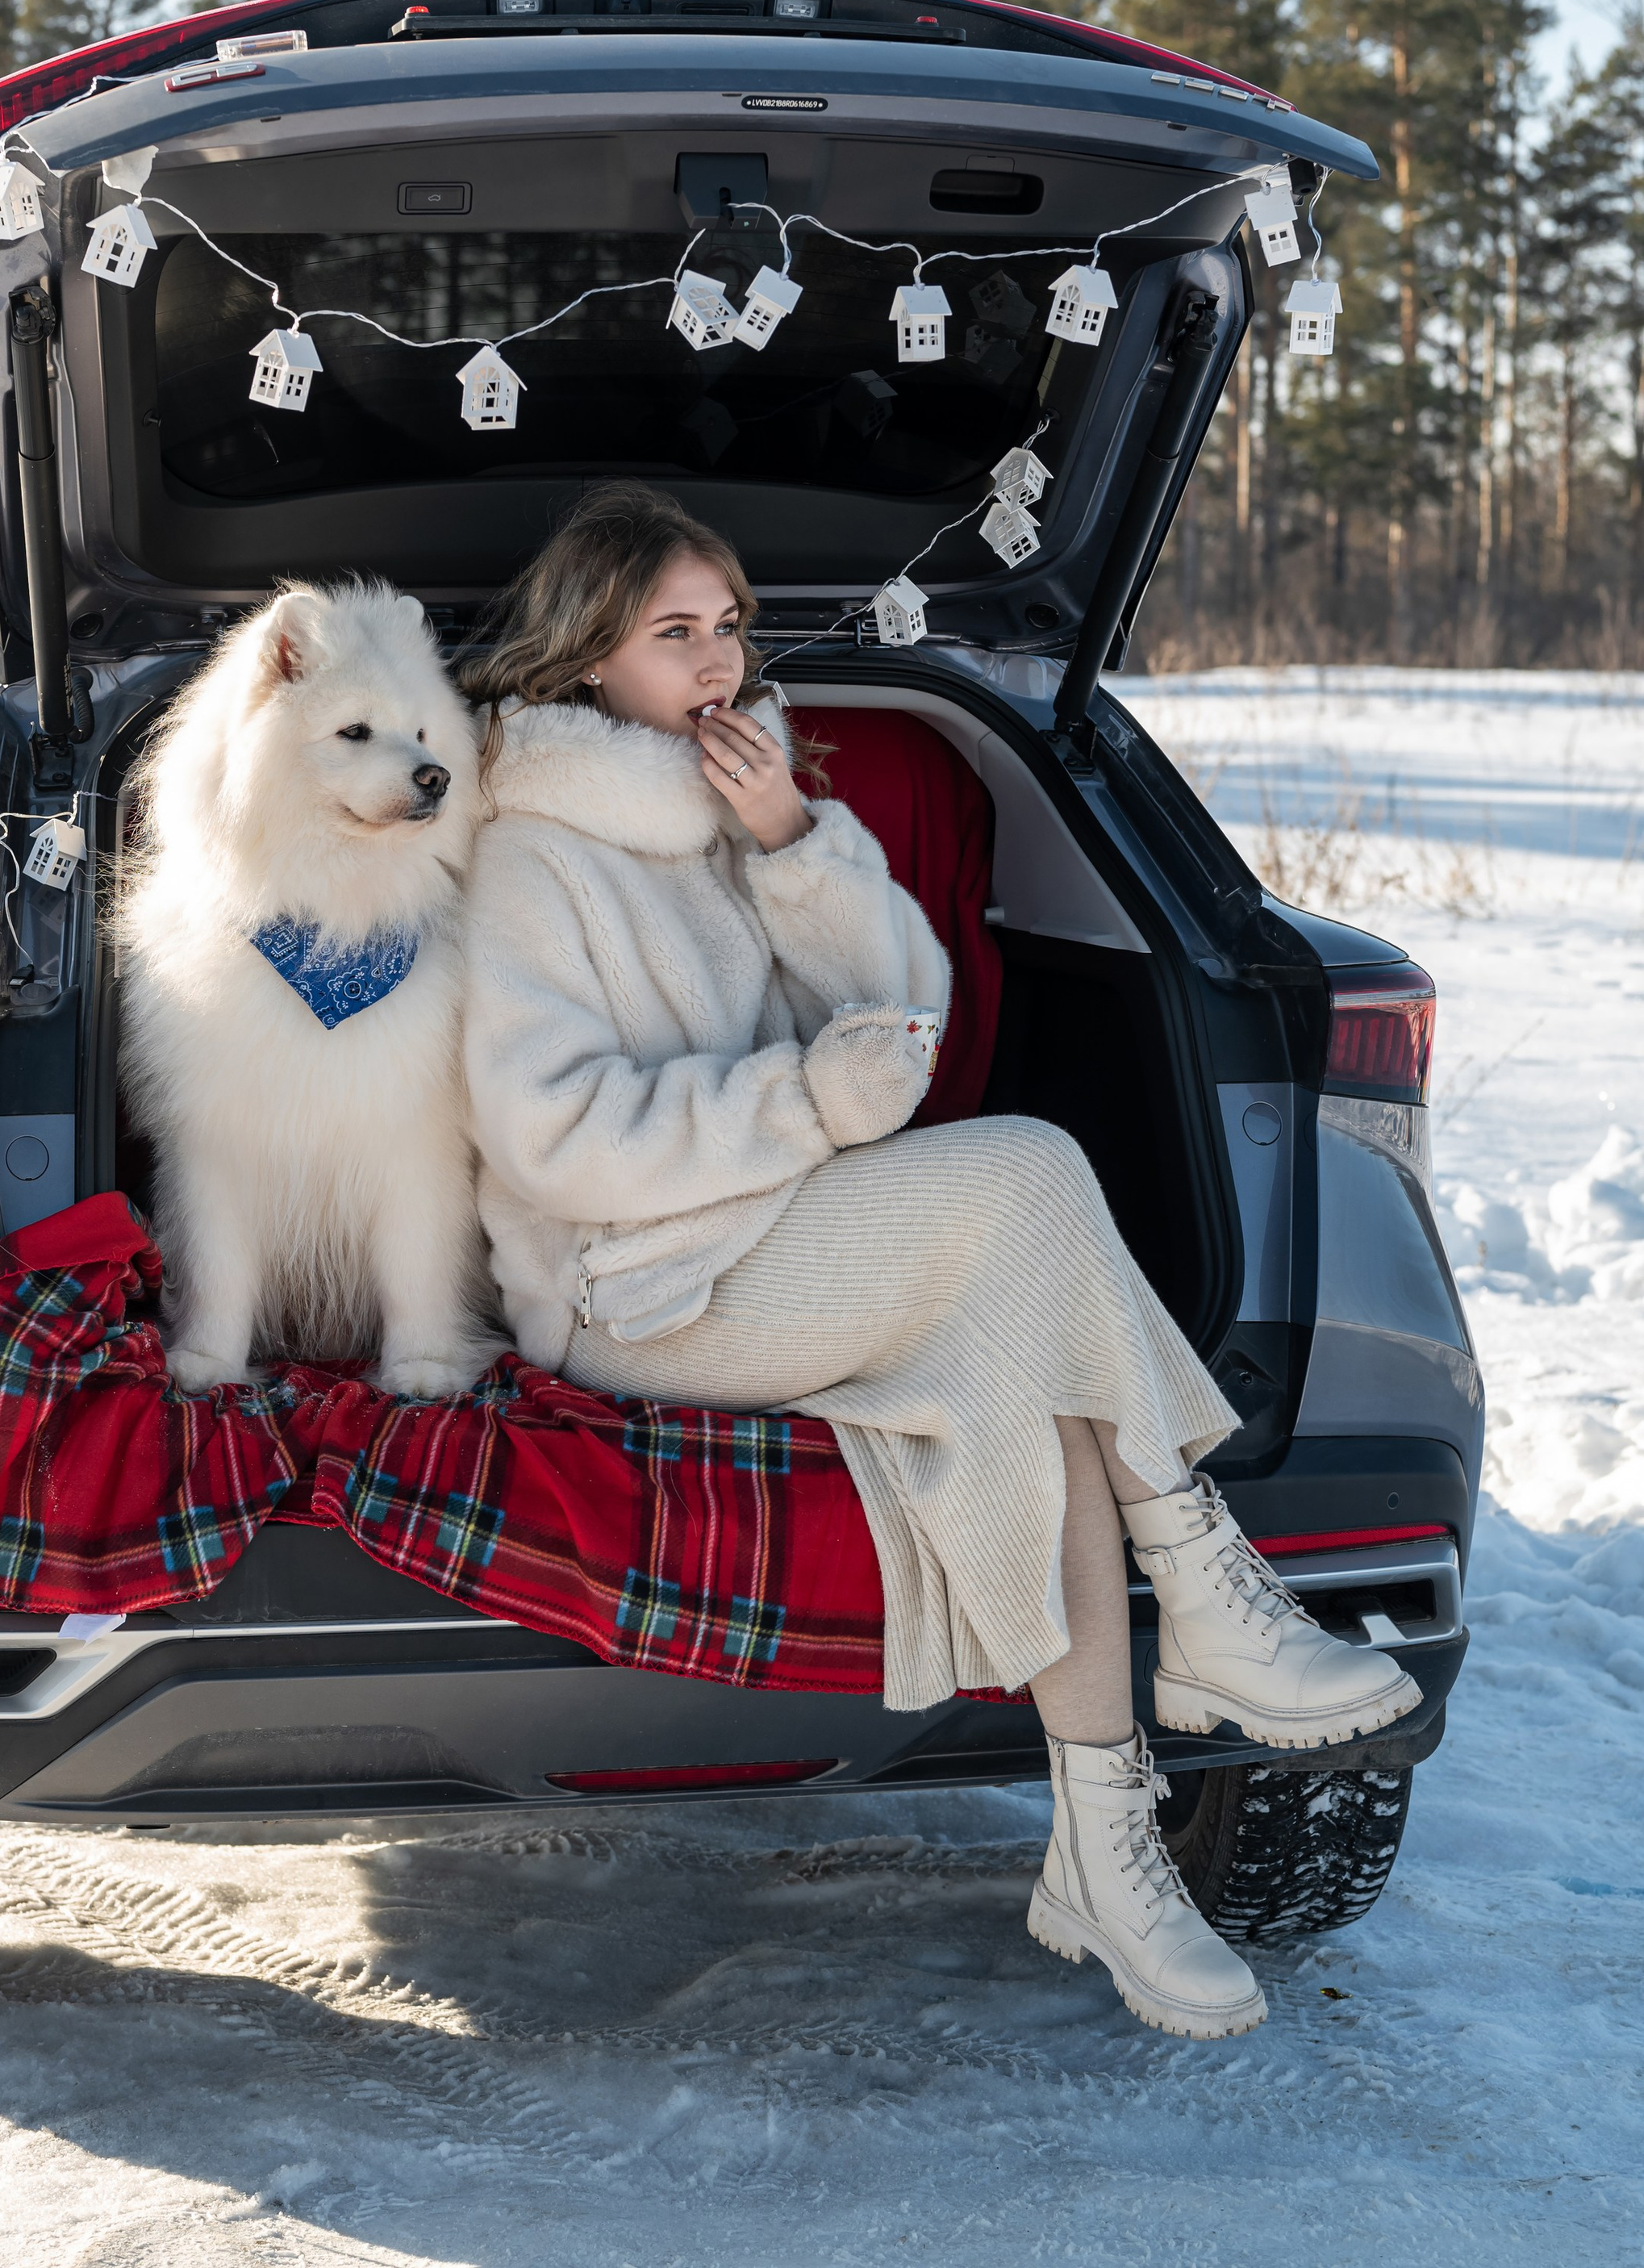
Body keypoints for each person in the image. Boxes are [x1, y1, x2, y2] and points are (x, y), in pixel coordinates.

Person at [456, 482, 1421, 2042]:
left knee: (1034, 1396)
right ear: (584, 662)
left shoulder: (728, 815)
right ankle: (1206, 1584)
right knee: (1029, 1167)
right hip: (629, 1293)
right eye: (674, 633)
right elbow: (551, 1135)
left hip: (776, 1238)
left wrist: (792, 845)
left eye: (733, 626)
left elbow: (903, 1023)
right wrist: (798, 1100)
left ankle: (1105, 1845)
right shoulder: (527, 856)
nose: (719, 661)